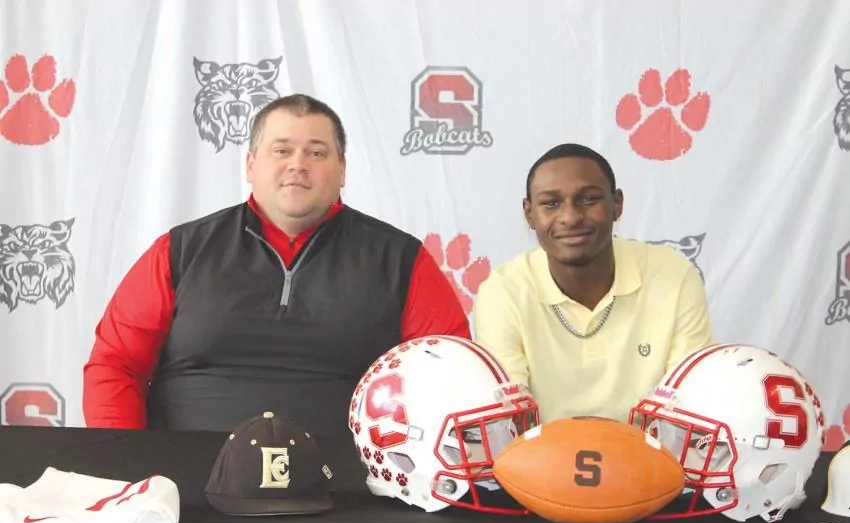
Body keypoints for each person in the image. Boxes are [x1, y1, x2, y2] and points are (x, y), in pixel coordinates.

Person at [83, 94, 470, 438]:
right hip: (187, 482)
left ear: (342, 170)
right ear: (251, 165)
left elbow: (453, 375)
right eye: (282, 150)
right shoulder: (180, 251)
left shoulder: (401, 260)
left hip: (351, 483)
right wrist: (130, 463)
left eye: (316, 153)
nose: (297, 165)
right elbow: (116, 365)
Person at [472, 143, 713, 424]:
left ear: (617, 204)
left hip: (648, 453)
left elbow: (687, 410)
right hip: (539, 453)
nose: (571, 217)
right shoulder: (503, 292)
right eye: (551, 203)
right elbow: (508, 420)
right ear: (529, 214)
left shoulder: (674, 276)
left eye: (588, 199)